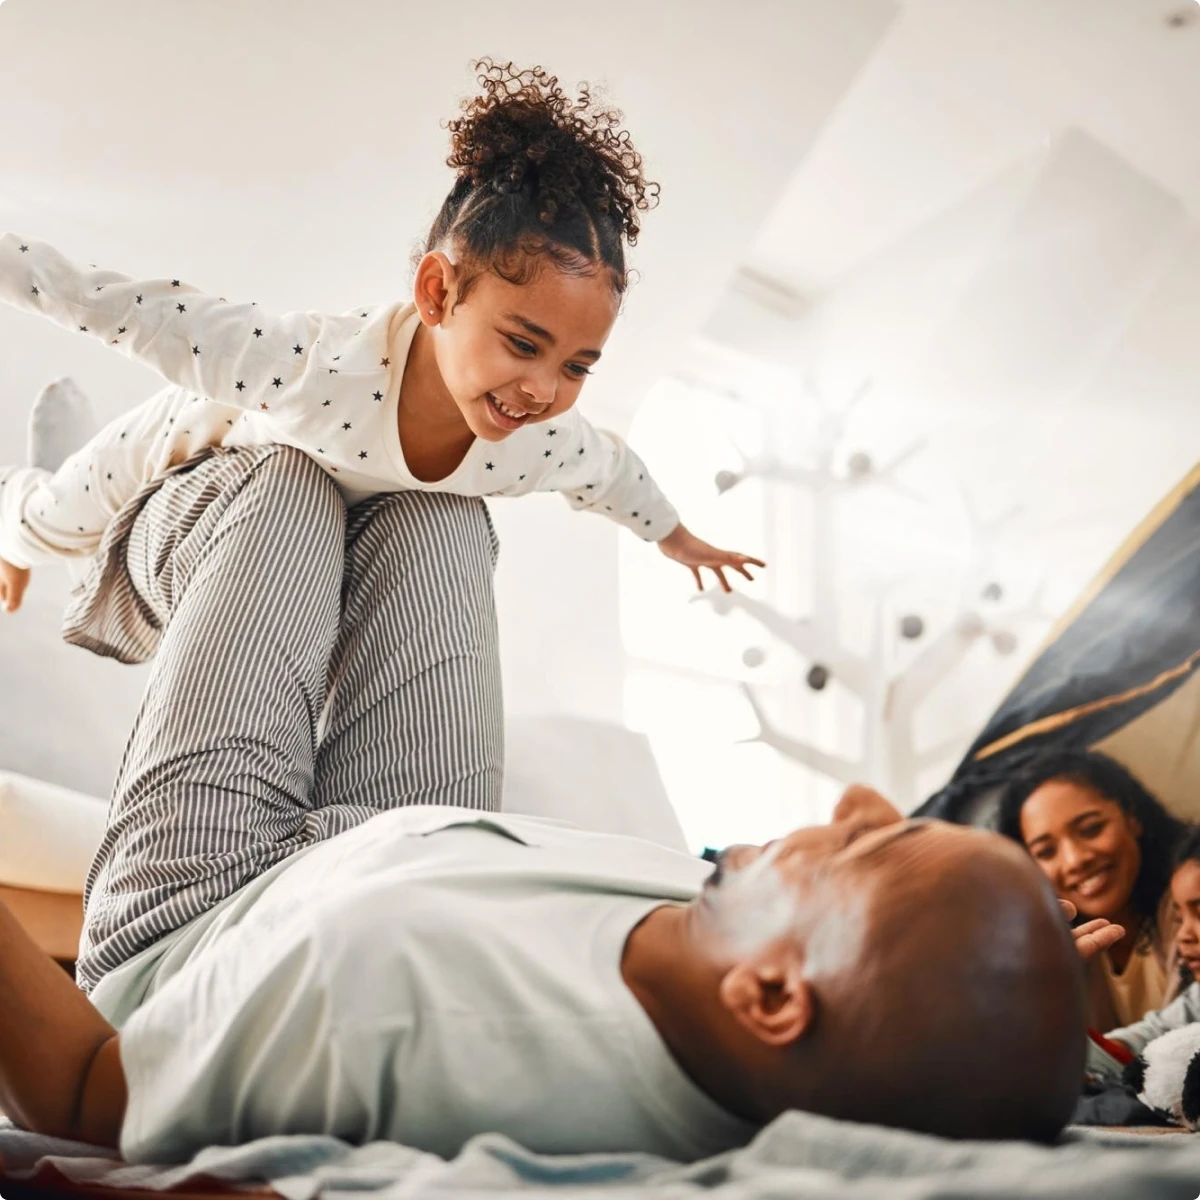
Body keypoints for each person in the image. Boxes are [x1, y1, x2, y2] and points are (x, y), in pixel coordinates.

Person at [0, 58, 764, 624]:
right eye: (524, 345)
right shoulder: (308, 365)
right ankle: (21, 493)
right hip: (179, 442)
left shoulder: (538, 441)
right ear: (438, 292)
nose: (545, 390)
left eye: (577, 366)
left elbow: (609, 469)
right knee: (51, 528)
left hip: (335, 520)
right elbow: (131, 309)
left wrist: (679, 540)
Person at [997, 749, 1187, 1029]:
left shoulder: (1189, 904)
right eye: (1047, 851)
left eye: (1090, 829)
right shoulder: (1051, 948)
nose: (1075, 860)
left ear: (1131, 817)